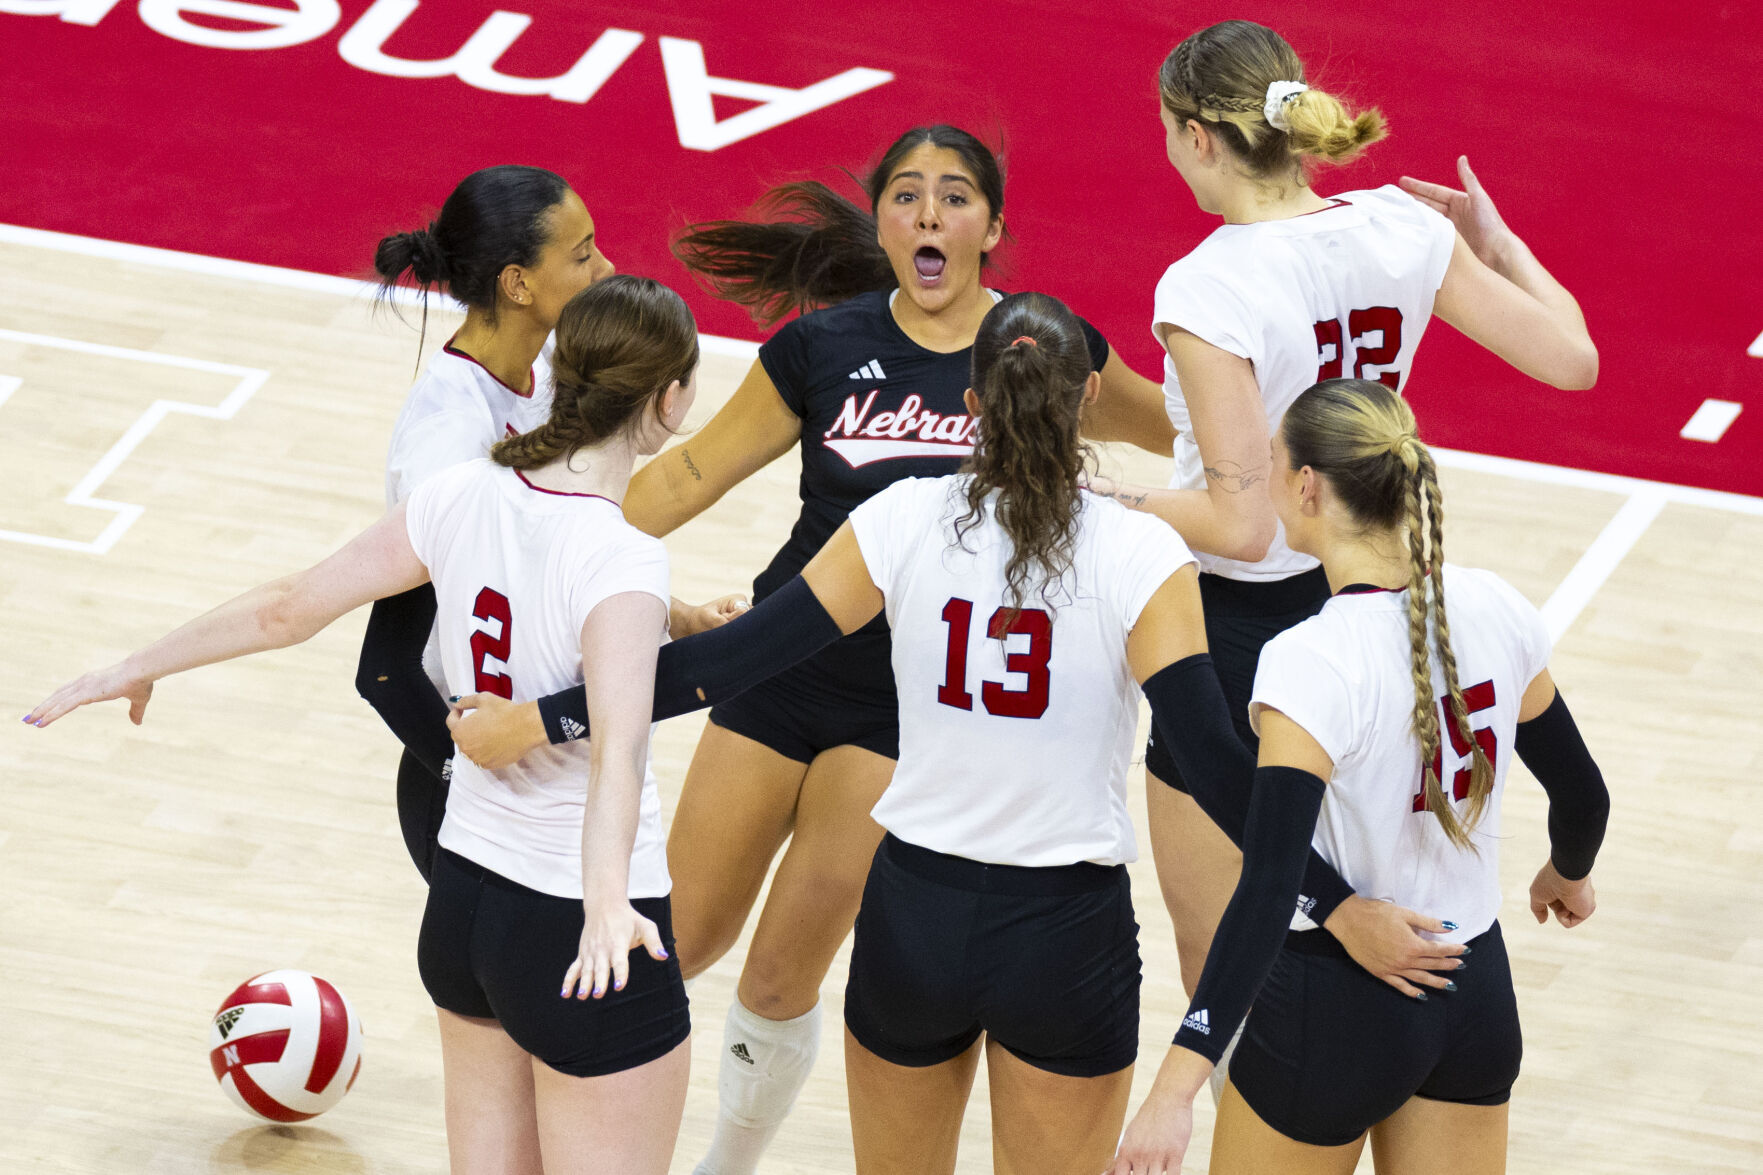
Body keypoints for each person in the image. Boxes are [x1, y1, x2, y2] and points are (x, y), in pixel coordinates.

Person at [445, 125, 1172, 1175]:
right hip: (773, 666)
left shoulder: (1036, 346)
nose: (928, 214)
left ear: (992, 227)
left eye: (955, 196)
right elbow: (687, 477)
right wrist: (539, 531)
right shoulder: (821, 345)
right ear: (877, 217)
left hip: (910, 716)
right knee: (673, 937)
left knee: (782, 972)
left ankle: (724, 1163)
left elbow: (1185, 432)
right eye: (907, 194)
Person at [26, 275, 710, 1175]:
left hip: (464, 906)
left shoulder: (464, 490)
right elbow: (615, 752)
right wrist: (607, 903)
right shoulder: (623, 558)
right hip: (572, 925)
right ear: (672, 397)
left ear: (558, 369)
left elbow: (287, 609)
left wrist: (134, 663)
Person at [1083, 19, 1600, 1054]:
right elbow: (1571, 359)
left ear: (1196, 137)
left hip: (1231, 634)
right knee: (1372, 899)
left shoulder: (1209, 282)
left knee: (1218, 958)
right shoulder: (1401, 230)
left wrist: (1085, 502)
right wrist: (1499, 247)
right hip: (1369, 597)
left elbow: (1236, 518)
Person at [1108, 378, 1610, 1175]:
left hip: (1334, 1011)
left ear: (1306, 486)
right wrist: (1567, 873)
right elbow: (1583, 794)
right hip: (1473, 993)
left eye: (1271, 459)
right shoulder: (1499, 608)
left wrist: (1174, 1086)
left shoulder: (1310, 659)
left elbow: (1268, 887)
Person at [359, 164, 738, 882]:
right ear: (518, 284)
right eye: (582, 253)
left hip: (540, 769)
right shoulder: (449, 436)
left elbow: (546, 569)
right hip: (477, 780)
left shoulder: (544, 383)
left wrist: (676, 617)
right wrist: (461, 777)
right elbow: (385, 668)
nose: (607, 267)